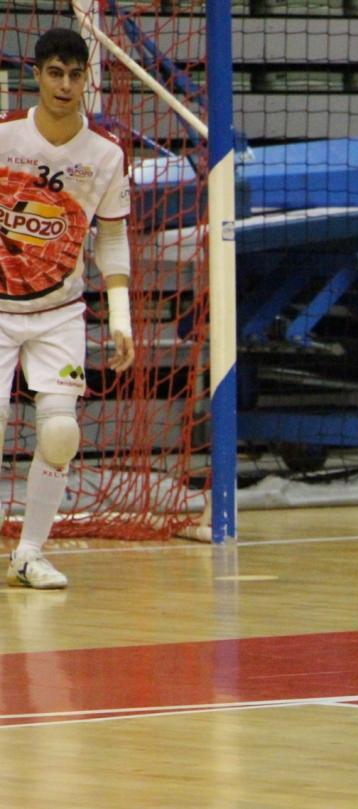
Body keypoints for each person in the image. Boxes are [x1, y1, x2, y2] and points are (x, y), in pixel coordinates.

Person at [1, 28, 135, 590]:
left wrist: (122, 316)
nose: (64, 84)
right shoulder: (5, 139)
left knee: (60, 433)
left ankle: (30, 551)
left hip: (60, 311)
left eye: (75, 74)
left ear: (87, 80)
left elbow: (111, 239)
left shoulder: (105, 156)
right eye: (55, 72)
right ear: (37, 74)